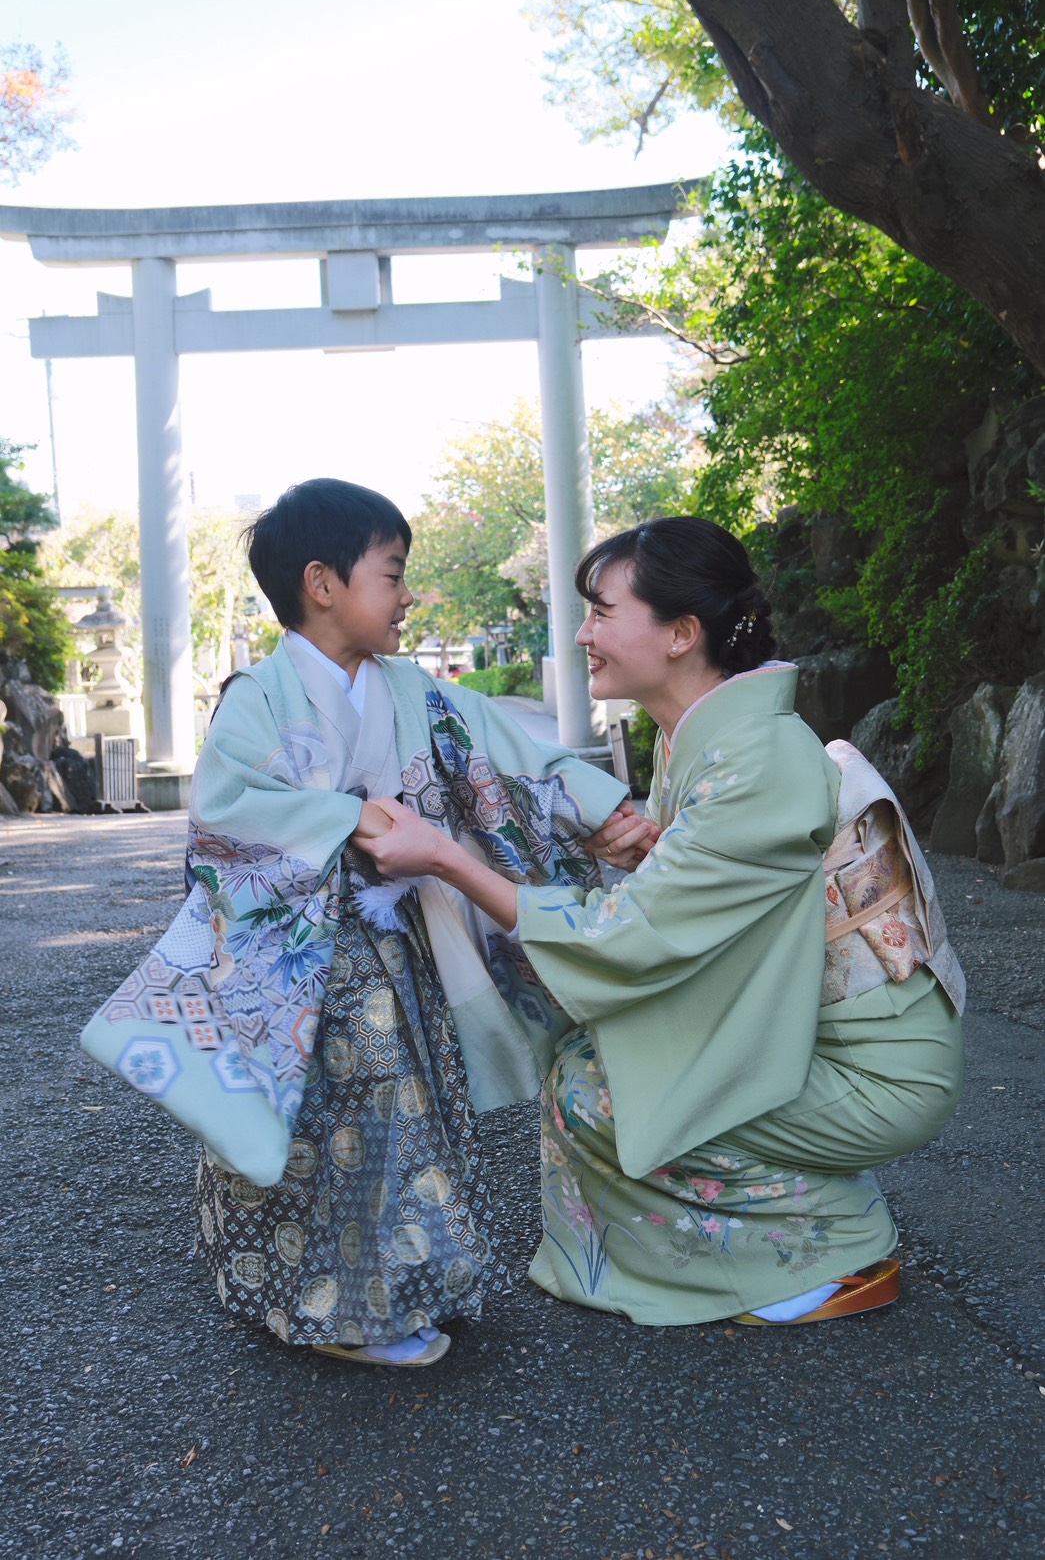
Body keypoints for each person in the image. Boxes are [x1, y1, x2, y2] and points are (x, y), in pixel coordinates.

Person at [356, 516, 966, 1327]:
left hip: (874, 1072)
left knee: (602, 1092)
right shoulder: (711, 741)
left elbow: (627, 941)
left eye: (603, 612)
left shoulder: (754, 759)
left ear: (681, 633)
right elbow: (723, 900)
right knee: (588, 1053)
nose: (582, 633)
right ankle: (805, 1200)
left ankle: (825, 1250)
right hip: (806, 1033)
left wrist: (447, 857)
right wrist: (647, 857)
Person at [82, 479, 630, 1366]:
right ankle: (337, 1306)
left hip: (396, 939)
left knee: (405, 1105)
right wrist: (349, 818)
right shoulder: (257, 695)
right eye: (394, 573)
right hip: (301, 954)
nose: (408, 595)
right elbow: (226, 813)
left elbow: (510, 755)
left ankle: (395, 1288)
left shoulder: (415, 689)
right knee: (336, 1114)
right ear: (322, 582)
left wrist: (602, 810)